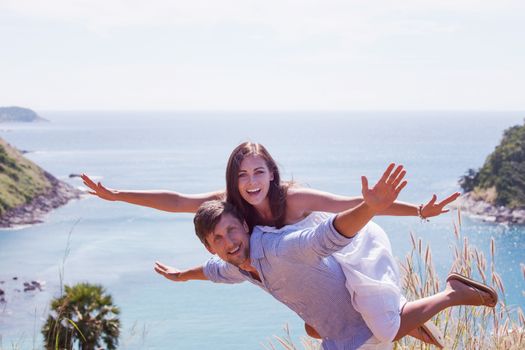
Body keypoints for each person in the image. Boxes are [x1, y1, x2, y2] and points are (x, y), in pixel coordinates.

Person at [81, 142, 460, 345]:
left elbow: (352, 207)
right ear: (234, 179)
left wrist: (420, 212)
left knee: (380, 324)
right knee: (317, 329)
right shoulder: (232, 205)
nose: (251, 182)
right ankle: (401, 318)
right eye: (242, 174)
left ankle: (411, 312)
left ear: (272, 173)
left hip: (346, 246)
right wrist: (116, 195)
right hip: (309, 264)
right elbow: (178, 201)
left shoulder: (292, 198)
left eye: (258, 171)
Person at [154, 166, 497, 349]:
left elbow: (329, 233)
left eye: (231, 231)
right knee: (311, 326)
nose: (228, 242)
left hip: (356, 326)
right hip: (337, 323)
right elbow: (214, 271)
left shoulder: (279, 246)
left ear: (244, 225)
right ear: (210, 246)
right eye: (217, 239)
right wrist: (181, 275)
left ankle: (453, 294)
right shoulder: (239, 264)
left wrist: (371, 207)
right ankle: (401, 317)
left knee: (385, 331)